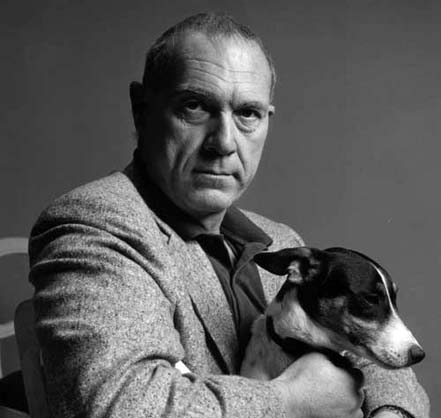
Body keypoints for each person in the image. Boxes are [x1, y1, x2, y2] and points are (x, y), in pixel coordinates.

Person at [28, 12, 429, 418]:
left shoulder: (281, 240)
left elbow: (373, 355)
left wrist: (391, 413)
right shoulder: (93, 226)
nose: (223, 142)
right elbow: (123, 405)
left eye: (247, 113)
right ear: (141, 110)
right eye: (195, 106)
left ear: (267, 121)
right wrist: (291, 401)